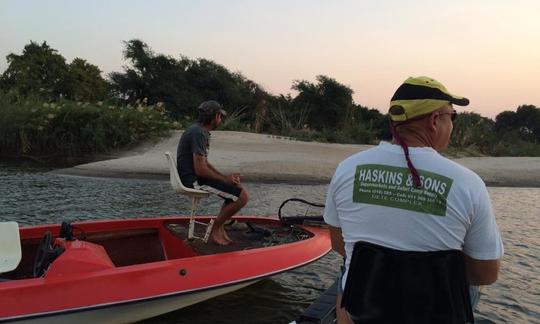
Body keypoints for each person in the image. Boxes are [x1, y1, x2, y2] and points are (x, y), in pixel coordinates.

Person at [323, 76, 504, 323]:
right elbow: (485, 273)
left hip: (366, 308)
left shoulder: (347, 169)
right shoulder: (468, 183)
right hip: (436, 313)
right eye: (452, 116)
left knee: (350, 265)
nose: (452, 125)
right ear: (434, 120)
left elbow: (338, 244)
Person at [177, 100, 249, 245]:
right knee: (243, 197)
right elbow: (200, 169)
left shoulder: (199, 131)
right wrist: (224, 179)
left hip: (196, 177)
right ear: (215, 117)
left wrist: (225, 178)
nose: (220, 120)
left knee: (238, 190)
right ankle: (215, 228)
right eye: (220, 116)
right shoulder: (199, 134)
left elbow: (205, 164)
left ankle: (220, 225)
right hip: (193, 181)